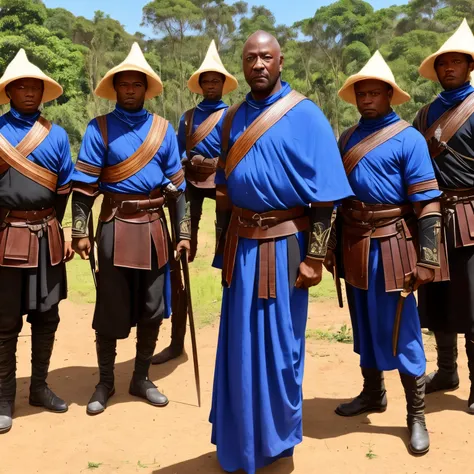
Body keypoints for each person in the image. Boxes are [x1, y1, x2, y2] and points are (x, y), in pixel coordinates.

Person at [209, 31, 352, 473]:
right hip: (241, 248)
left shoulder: (306, 115)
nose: (258, 65)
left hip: (287, 247)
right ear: (243, 63)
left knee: (280, 350)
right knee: (238, 347)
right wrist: (222, 253)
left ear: (281, 61)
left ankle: (277, 442)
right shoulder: (231, 120)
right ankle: (239, 442)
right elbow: (223, 195)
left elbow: (326, 199)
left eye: (266, 57)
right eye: (251, 57)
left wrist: (315, 257)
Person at [331, 51, 442, 454]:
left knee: (402, 329)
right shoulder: (345, 138)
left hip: (393, 244)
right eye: (362, 93)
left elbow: (428, 201)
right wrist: (329, 247)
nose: (367, 99)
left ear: (390, 96)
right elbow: (334, 198)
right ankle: (372, 392)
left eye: (375, 92)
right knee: (363, 320)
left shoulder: (409, 139)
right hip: (353, 242)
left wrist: (427, 258)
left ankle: (416, 414)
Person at [71, 43, 190, 415]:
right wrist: (79, 231)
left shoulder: (163, 129)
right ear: (116, 88)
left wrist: (183, 233)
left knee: (152, 309)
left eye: (137, 84)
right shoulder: (98, 128)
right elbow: (84, 189)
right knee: (110, 308)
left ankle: (140, 378)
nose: (130, 90)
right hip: (114, 227)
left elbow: (178, 189)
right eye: (124, 84)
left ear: (145, 88)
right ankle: (105, 381)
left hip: (155, 230)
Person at [0, 49, 75, 433]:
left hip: (47, 236)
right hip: (6, 237)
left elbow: (64, 189)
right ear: (10, 91)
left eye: (36, 87)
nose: (30, 92)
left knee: (47, 316)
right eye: (22, 86)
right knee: (4, 322)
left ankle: (40, 388)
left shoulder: (57, 135)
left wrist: (54, 229)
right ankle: (4, 398)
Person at [152, 40, 238, 365]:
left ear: (222, 84)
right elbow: (175, 156)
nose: (212, 85)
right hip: (189, 186)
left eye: (217, 80)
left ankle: (233, 340)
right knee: (180, 255)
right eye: (207, 80)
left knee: (230, 259)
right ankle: (177, 341)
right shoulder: (188, 118)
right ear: (200, 84)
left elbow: (238, 153)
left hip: (225, 187)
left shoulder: (232, 115)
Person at [415, 18, 474, 413]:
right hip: (433, 219)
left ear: (470, 66)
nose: (448, 68)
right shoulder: (424, 114)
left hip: (473, 219)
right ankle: (447, 371)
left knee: (473, 302)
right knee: (436, 297)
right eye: (442, 63)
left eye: (456, 62)